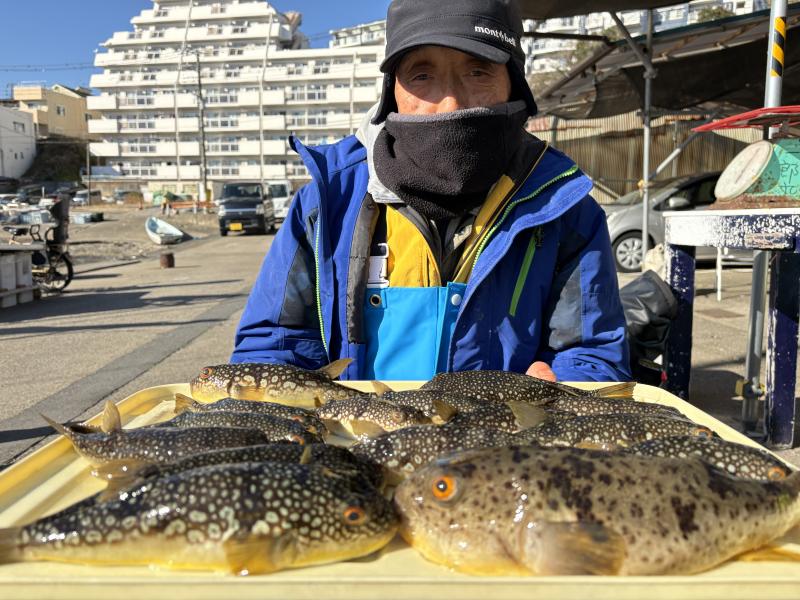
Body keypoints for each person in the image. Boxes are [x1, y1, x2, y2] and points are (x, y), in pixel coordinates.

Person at [232, 0, 631, 383]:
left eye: (478, 72)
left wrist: (563, 385)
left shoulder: (564, 209)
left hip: (504, 446)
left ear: (514, 83)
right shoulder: (326, 204)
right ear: (392, 91)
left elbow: (592, 353)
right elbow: (274, 345)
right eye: (422, 76)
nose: (451, 103)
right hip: (356, 442)